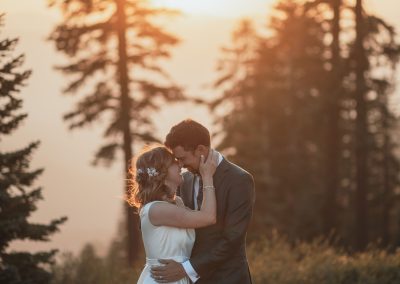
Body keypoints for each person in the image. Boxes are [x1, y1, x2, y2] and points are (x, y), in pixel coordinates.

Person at [151, 119, 255, 284]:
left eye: (183, 158)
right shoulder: (183, 180)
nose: (181, 165)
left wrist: (186, 268)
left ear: (200, 149)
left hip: (228, 278)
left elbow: (232, 239)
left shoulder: (239, 180)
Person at [127, 144, 219, 284]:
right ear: (162, 172)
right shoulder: (157, 210)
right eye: (174, 163)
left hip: (177, 278)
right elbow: (208, 217)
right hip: (162, 281)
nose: (180, 165)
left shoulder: (177, 203)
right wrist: (207, 176)